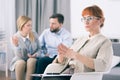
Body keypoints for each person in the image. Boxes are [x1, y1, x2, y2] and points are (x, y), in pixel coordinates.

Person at [43, 5, 113, 77]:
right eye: (84, 18)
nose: (86, 21)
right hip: (64, 72)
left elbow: (103, 66)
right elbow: (65, 61)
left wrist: (76, 55)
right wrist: (61, 56)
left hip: (79, 75)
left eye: (89, 18)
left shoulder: (104, 42)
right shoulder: (80, 39)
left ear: (101, 20)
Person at [34, 13, 73, 80]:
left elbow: (64, 50)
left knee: (41, 61)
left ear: (60, 24)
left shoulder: (66, 35)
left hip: (58, 57)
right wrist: (42, 53)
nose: (50, 26)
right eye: (50, 23)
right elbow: (39, 46)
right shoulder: (46, 32)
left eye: (53, 24)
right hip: (47, 55)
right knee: (38, 60)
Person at [9, 16, 40, 80]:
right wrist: (16, 45)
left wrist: (36, 54)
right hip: (19, 59)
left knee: (31, 61)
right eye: (28, 25)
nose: (31, 28)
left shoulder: (34, 34)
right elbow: (18, 55)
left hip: (32, 58)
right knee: (20, 63)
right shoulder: (15, 37)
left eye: (31, 25)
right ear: (22, 26)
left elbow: (40, 48)